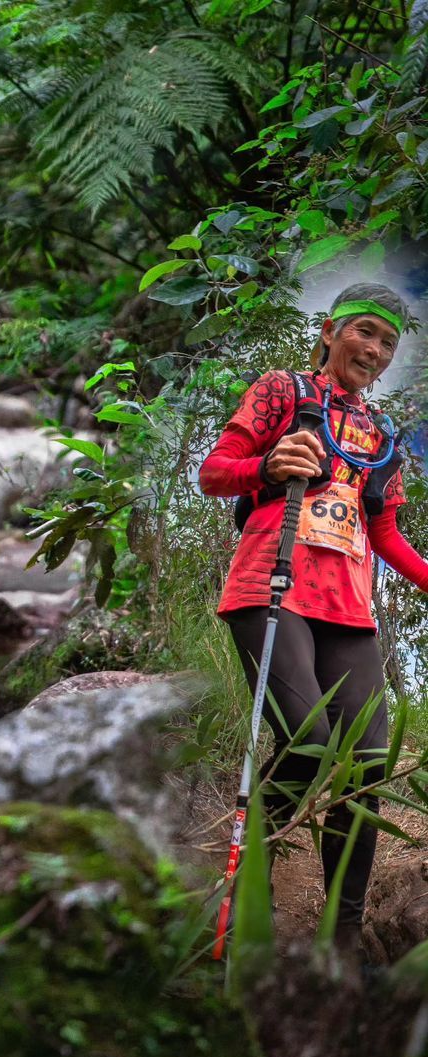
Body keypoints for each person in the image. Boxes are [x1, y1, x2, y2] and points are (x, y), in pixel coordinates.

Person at [199, 282, 428, 954]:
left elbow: (385, 535)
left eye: (388, 342)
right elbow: (215, 473)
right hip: (271, 588)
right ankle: (250, 880)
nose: (376, 350)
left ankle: (344, 936)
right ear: (330, 332)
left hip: (349, 612)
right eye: (365, 333)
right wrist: (265, 466)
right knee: (305, 740)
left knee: (364, 761)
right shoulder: (281, 391)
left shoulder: (381, 435)